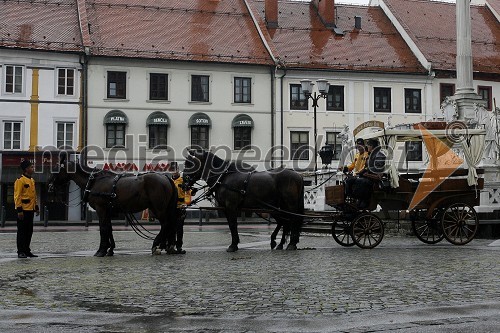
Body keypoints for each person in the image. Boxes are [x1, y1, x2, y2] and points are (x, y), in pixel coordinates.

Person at [345, 138, 386, 209]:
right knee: (349, 180)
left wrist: (365, 172)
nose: (367, 147)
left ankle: (363, 200)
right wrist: (348, 169)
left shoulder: (378, 155)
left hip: (373, 178)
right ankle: (352, 198)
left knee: (360, 182)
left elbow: (376, 169)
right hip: (365, 175)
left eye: (368, 145)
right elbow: (356, 165)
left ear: (372, 146)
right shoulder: (363, 155)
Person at [14, 159, 40, 258]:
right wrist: (19, 210)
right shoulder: (20, 180)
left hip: (30, 210)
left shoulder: (32, 180)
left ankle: (27, 250)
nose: (33, 169)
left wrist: (36, 207)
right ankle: (20, 251)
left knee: (29, 231)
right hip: (23, 210)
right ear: (26, 169)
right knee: (21, 231)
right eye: (31, 167)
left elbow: (34, 195)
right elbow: (17, 196)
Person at [172, 171, 196, 254]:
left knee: (179, 228)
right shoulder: (169, 181)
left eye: (175, 170)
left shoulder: (183, 180)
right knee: (171, 228)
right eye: (172, 170)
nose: (174, 172)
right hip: (171, 208)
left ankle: (179, 247)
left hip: (181, 208)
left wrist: (193, 192)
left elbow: (189, 192)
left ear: (178, 171)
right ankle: (170, 246)